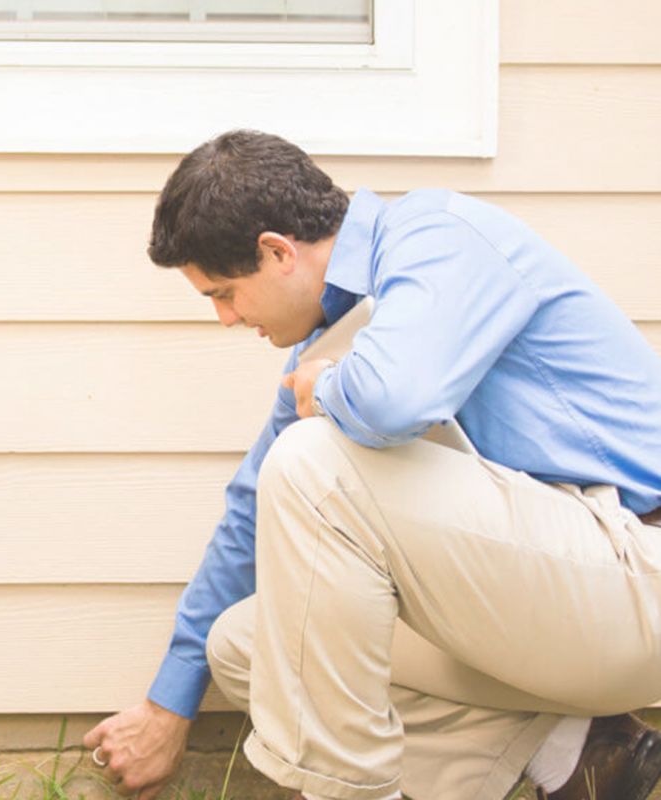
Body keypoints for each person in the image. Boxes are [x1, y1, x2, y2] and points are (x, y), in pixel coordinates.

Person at [84, 130, 661, 800]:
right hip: (557, 608)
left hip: (637, 570)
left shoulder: (437, 237)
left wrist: (327, 388)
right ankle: (577, 754)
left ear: (276, 252)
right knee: (247, 644)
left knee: (311, 462)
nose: (224, 318)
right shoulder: (327, 350)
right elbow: (248, 515)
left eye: (224, 292)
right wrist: (169, 705)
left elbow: (396, 398)